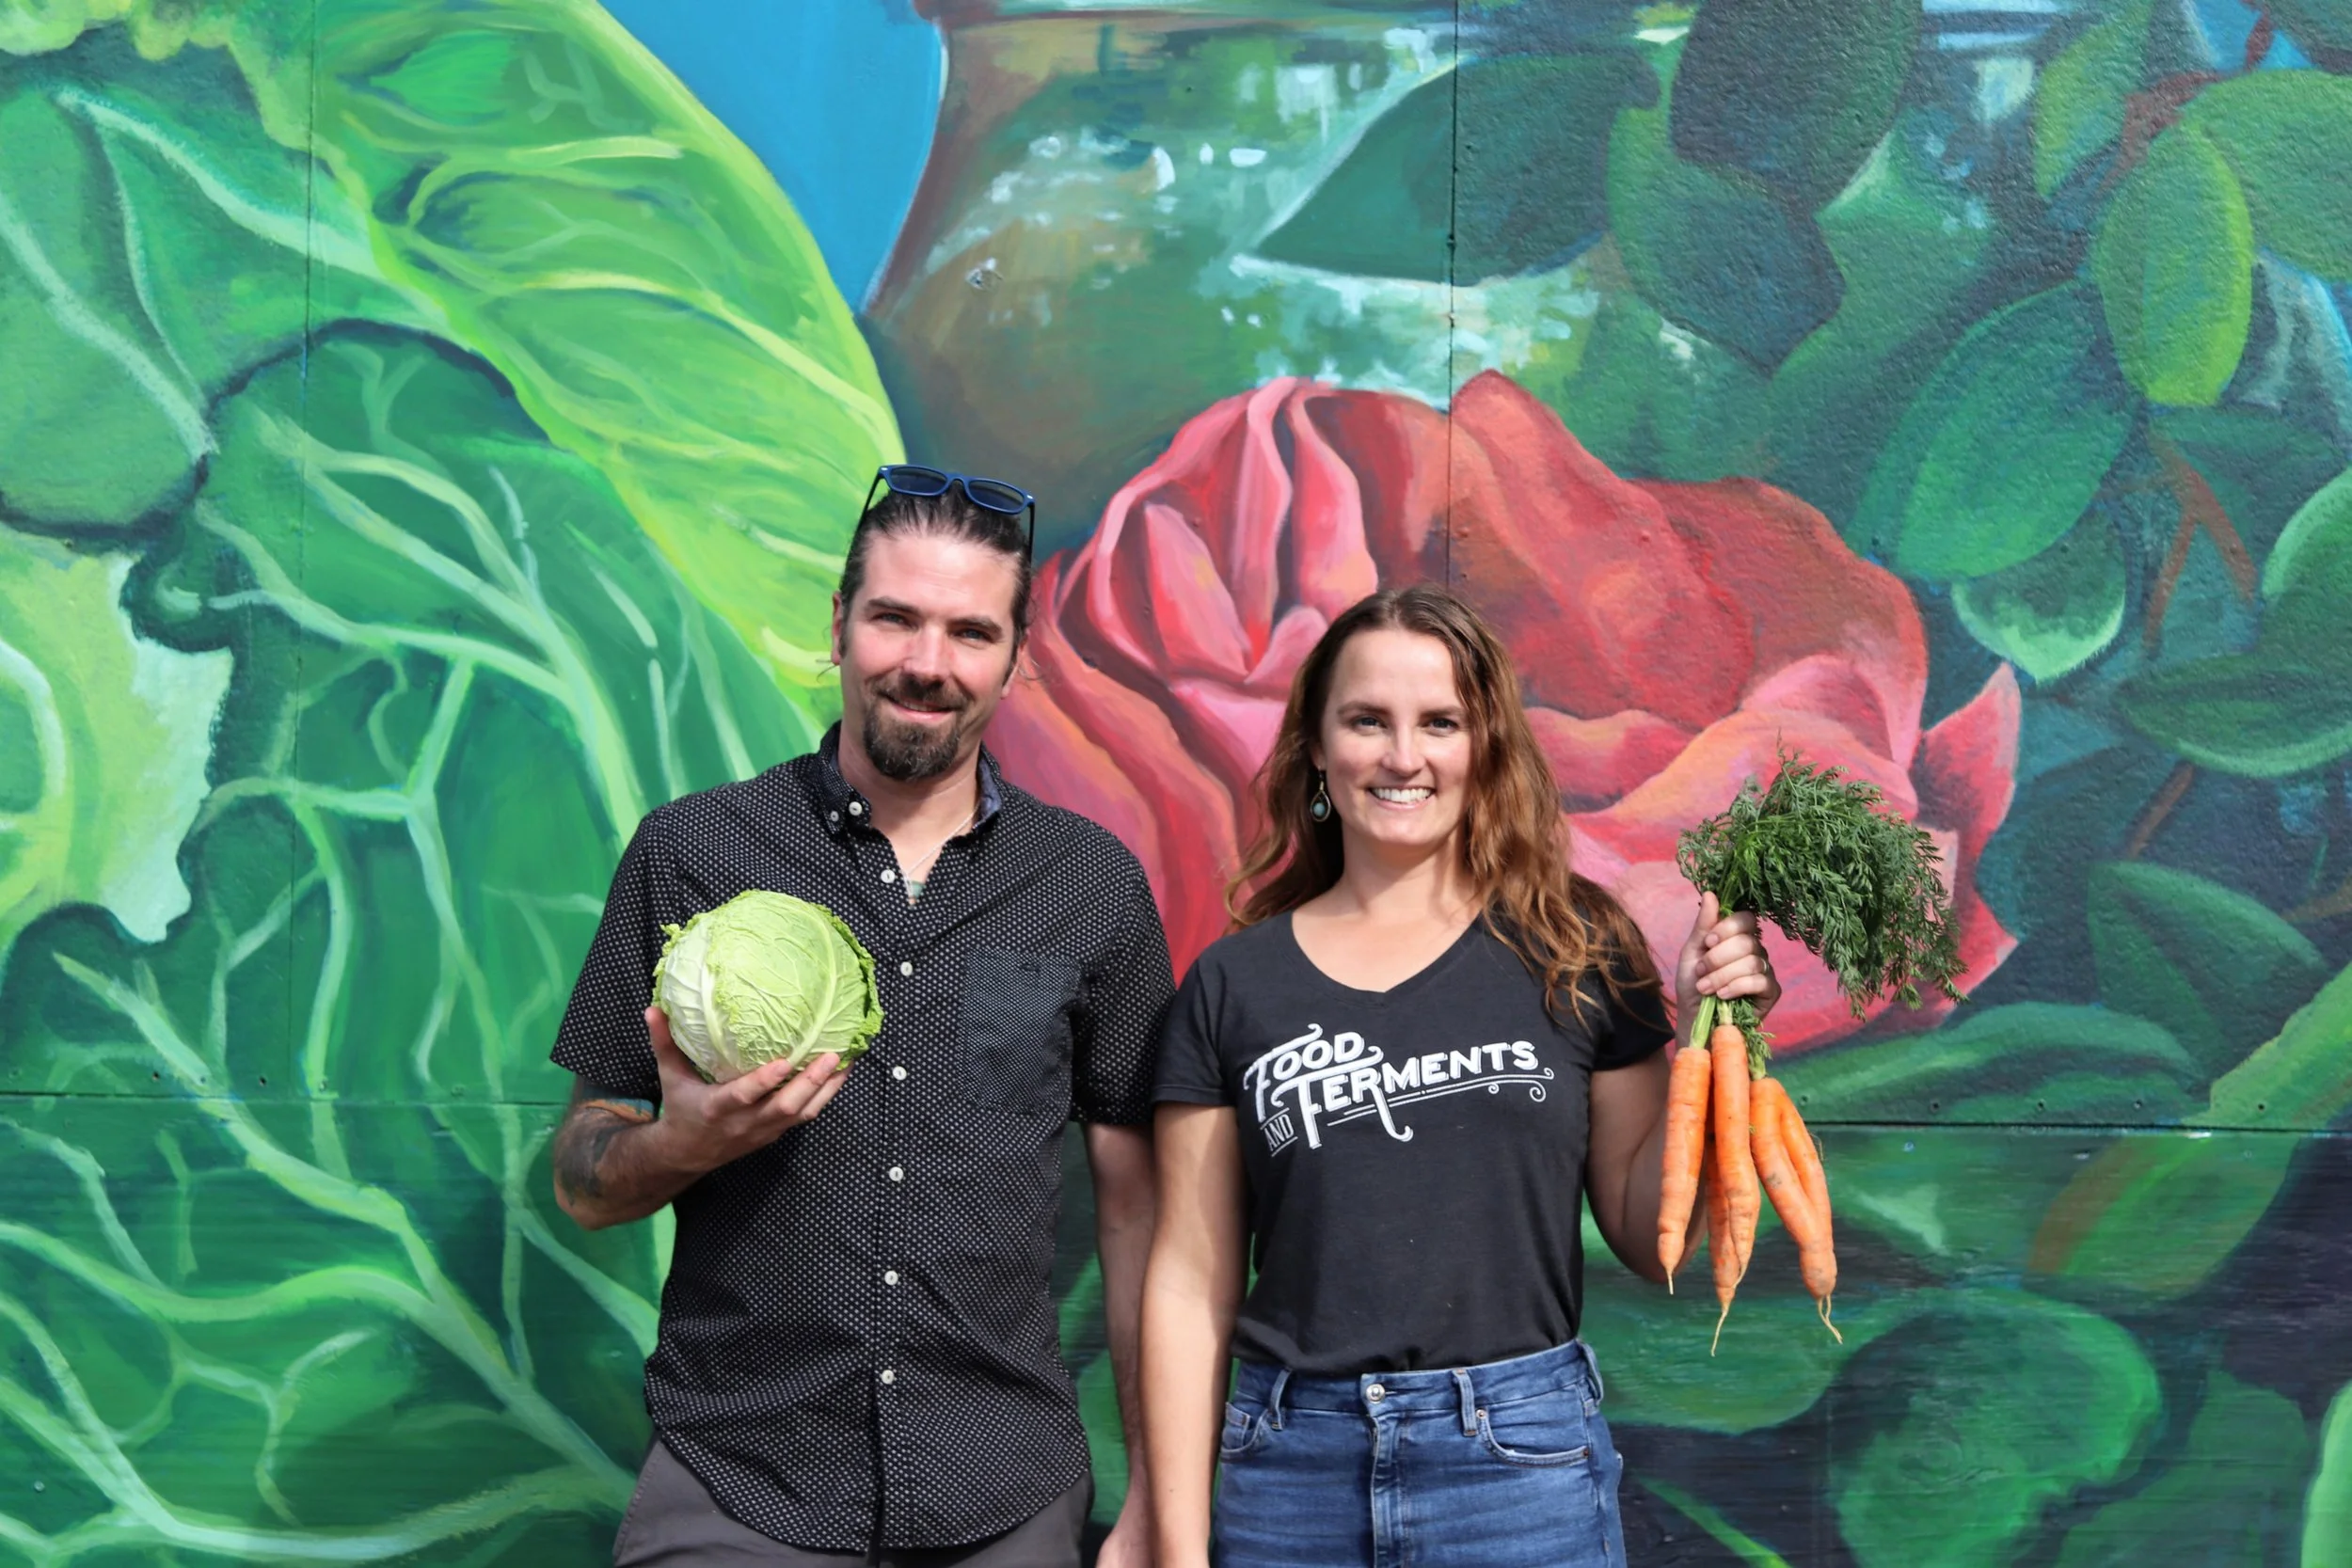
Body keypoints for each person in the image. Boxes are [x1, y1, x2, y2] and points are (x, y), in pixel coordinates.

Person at [548, 466, 1169, 1568]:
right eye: (895, 617)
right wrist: (676, 1143)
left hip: (1003, 1488)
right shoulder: (694, 850)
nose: (927, 664)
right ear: (838, 624)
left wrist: (1162, 1496)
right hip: (741, 1480)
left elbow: (1136, 1217)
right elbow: (580, 1178)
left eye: (970, 632)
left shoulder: (1090, 884)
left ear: (1014, 658)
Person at [1140, 584, 1782, 1568]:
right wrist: (1176, 1545)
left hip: (1518, 1464)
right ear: (1316, 746)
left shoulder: (1577, 946)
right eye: (1367, 721)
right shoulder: (1235, 983)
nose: (1404, 756)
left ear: (1484, 746)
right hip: (1289, 1475)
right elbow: (1189, 1279)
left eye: (1441, 721)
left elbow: (1655, 1238)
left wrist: (1717, 1031)